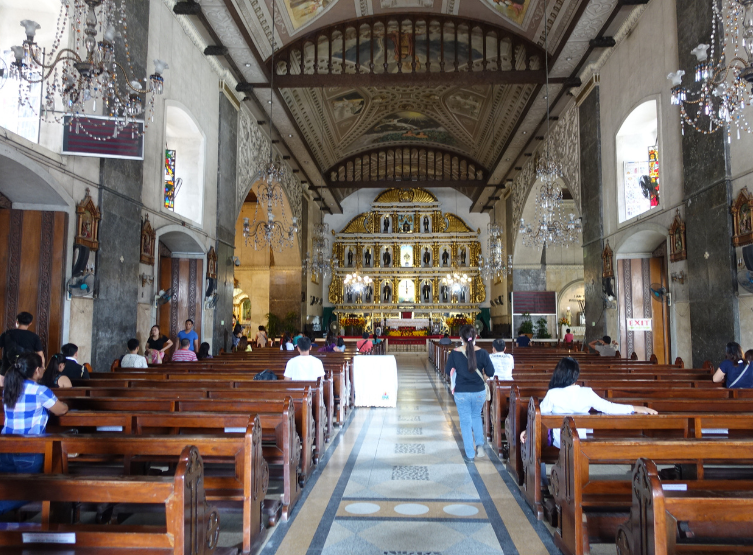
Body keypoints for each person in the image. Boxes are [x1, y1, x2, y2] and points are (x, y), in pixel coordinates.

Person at [520, 357, 657, 448]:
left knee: (536, 443)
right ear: (576, 375)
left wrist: (526, 430)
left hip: (559, 442)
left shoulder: (553, 394)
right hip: (581, 439)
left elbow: (537, 417)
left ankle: (542, 482)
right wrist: (635, 408)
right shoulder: (587, 392)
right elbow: (609, 408)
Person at [0, 353, 68, 514]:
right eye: (42, 366)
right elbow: (61, 410)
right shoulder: (40, 391)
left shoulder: (10, 387)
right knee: (31, 490)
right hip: (29, 449)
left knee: (7, 486)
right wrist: (65, 404)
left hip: (4, 447)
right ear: (37, 370)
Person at [445, 325, 495, 462]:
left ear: (461, 338)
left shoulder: (455, 353)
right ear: (475, 337)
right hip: (478, 392)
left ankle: (470, 453)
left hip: (461, 392)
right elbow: (491, 372)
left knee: (465, 422)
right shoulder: (483, 353)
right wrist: (483, 375)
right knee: (476, 416)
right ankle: (480, 445)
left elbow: (447, 370)